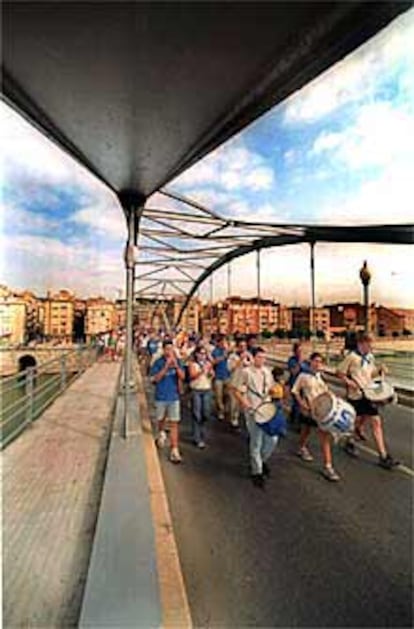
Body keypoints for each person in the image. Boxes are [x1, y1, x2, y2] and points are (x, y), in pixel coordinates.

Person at [336, 332, 399, 469]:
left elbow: (371, 374)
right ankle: (350, 441)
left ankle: (383, 456)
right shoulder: (351, 357)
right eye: (370, 344)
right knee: (356, 421)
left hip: (369, 394)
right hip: (356, 395)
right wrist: (349, 382)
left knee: (376, 422)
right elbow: (339, 372)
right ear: (361, 343)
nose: (372, 347)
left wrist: (380, 370)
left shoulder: (370, 357)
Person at [231, 346, 279, 489]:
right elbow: (235, 389)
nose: (262, 360)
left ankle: (261, 460)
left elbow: (270, 387)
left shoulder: (267, 372)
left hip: (267, 409)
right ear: (252, 358)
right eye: (259, 357)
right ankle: (256, 472)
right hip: (253, 410)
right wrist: (244, 402)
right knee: (256, 441)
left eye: (264, 357)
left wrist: (274, 392)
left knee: (272, 439)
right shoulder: (246, 372)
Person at [291, 352, 341, 482]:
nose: (318, 364)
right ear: (310, 362)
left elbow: (324, 391)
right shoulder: (303, 375)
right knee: (306, 431)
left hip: (321, 411)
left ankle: (328, 467)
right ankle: (301, 447)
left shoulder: (319, 376)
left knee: (324, 436)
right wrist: (302, 404)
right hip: (309, 409)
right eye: (316, 361)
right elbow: (295, 391)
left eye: (320, 361)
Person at [150, 339, 186, 463]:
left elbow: (183, 377)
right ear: (163, 350)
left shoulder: (178, 362)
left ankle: (174, 449)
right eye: (167, 349)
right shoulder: (158, 363)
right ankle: (161, 432)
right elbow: (155, 379)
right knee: (161, 419)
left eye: (171, 349)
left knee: (174, 423)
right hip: (161, 396)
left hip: (174, 397)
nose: (169, 352)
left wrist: (176, 366)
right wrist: (166, 367)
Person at [188, 345, 214, 448]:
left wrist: (210, 373)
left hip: (207, 389)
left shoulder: (208, 364)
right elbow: (192, 376)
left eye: (204, 354)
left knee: (206, 413)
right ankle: (197, 437)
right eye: (200, 353)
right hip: (196, 390)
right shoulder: (193, 364)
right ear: (196, 354)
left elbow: (212, 375)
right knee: (196, 414)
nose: (202, 356)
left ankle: (202, 431)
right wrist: (202, 370)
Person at [228, 338, 252, 428]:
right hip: (235, 384)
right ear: (237, 347)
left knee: (246, 405)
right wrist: (240, 360)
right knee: (235, 405)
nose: (243, 348)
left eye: (245, 346)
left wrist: (250, 359)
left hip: (245, 385)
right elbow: (231, 368)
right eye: (241, 346)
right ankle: (234, 420)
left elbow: (253, 367)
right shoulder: (232, 357)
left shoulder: (249, 356)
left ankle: (248, 423)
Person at [211, 335, 231, 421]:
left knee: (228, 394)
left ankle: (225, 408)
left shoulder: (228, 351)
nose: (224, 344)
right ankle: (220, 411)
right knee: (218, 396)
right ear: (218, 343)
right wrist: (224, 356)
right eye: (222, 342)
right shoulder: (215, 351)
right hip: (218, 377)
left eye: (225, 342)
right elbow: (214, 362)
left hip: (227, 376)